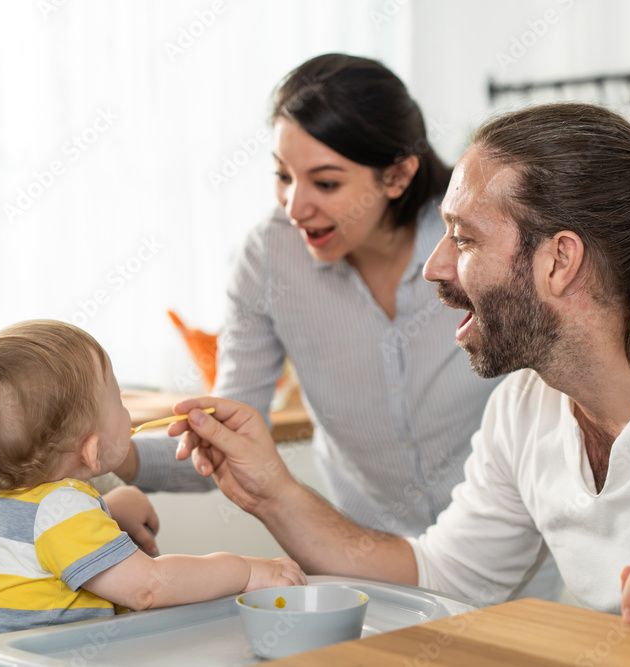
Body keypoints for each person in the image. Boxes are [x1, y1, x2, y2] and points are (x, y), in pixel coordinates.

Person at [167, 103, 630, 649]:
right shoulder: (524, 409)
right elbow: (442, 575)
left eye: (465, 237)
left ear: (559, 261)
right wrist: (269, 490)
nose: (434, 268)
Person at [116, 53, 561, 598]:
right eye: (282, 176)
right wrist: (119, 454)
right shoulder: (269, 260)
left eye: (325, 183)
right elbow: (231, 436)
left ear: (397, 175)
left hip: (515, 572)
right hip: (364, 570)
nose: (294, 205)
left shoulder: (476, 244)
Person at [0, 320, 304, 638]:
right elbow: (149, 588)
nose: (126, 411)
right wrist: (247, 571)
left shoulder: (9, 502)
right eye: (117, 399)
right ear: (91, 448)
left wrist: (109, 511)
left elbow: (50, 547)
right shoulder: (61, 507)